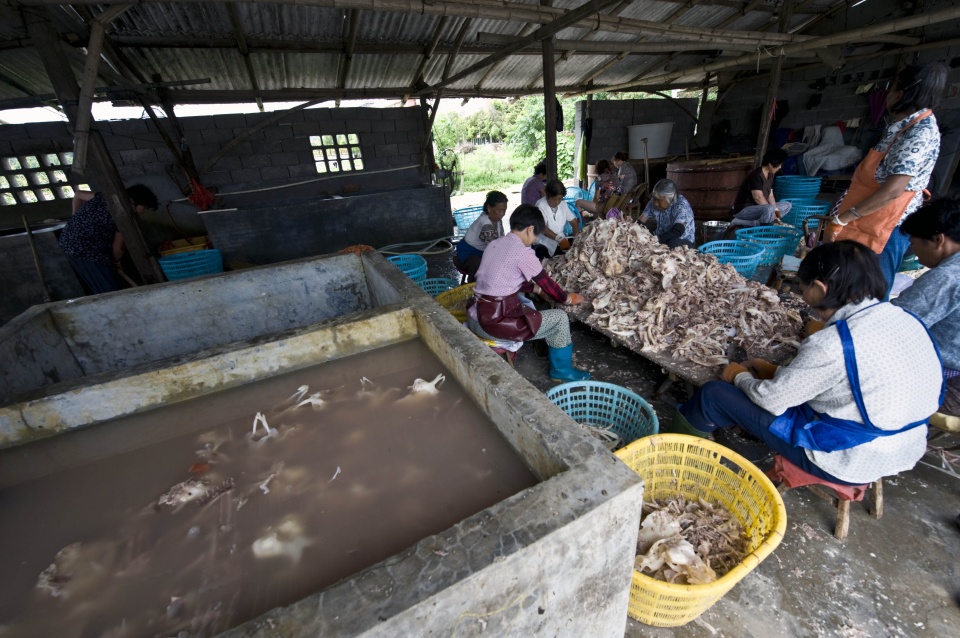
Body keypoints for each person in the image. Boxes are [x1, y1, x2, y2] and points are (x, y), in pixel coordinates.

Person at [679, 241, 943, 486]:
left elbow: (771, 400)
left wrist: (739, 376)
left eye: (802, 286)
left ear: (819, 288)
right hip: (907, 444)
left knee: (713, 395)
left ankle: (679, 459)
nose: (801, 291)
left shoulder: (831, 345)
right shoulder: (905, 318)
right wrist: (777, 372)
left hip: (849, 457)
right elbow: (857, 381)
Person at [824, 61, 947, 299]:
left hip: (884, 225)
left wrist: (844, 218)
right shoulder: (902, 127)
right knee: (854, 281)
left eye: (890, 90)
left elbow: (893, 190)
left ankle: (865, 332)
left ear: (900, 93)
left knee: (873, 285)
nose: (887, 96)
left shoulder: (918, 132)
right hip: (868, 217)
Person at [466, 204, 591, 382]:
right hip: (491, 325)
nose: (534, 240)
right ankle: (561, 371)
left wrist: (535, 289)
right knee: (559, 318)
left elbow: (503, 280)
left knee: (526, 303)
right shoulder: (523, 253)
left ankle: (542, 345)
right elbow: (547, 283)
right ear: (530, 229)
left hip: (475, 315)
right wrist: (568, 299)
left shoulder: (496, 244)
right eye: (535, 235)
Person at [891, 198, 960, 418]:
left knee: (858, 379)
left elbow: (893, 322)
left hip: (951, 382)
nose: (914, 253)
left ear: (938, 240)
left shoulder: (947, 277)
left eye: (915, 243)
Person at [58, 184, 158, 295]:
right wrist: (115, 261)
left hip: (67, 241)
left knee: (99, 283)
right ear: (136, 201)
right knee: (109, 290)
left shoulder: (104, 197)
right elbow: (118, 248)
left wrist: (75, 217)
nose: (144, 212)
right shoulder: (123, 216)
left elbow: (78, 195)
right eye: (145, 207)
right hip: (87, 250)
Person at [453, 190, 508, 281]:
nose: (502, 214)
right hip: (464, 256)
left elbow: (501, 241)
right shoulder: (486, 224)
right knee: (483, 266)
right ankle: (474, 289)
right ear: (489, 208)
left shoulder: (497, 220)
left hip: (481, 253)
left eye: (504, 210)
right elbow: (494, 250)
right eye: (499, 210)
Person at [730, 148, 792, 229]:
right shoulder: (756, 175)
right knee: (769, 209)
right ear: (770, 164)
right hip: (744, 209)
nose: (780, 167)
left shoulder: (771, 174)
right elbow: (758, 198)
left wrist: (776, 212)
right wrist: (772, 211)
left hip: (760, 208)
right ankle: (760, 227)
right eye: (779, 164)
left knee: (787, 205)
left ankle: (760, 222)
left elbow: (770, 196)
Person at [638, 179, 696, 249]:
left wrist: (657, 238)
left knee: (672, 243)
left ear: (669, 198)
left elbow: (678, 231)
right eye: (654, 198)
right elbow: (640, 221)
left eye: (659, 200)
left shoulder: (681, 205)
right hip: (662, 236)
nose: (655, 203)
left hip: (682, 239)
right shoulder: (654, 201)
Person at [533, 179, 580, 260]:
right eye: (555, 199)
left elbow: (574, 222)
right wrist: (559, 239)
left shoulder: (563, 204)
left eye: (560, 199)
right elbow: (542, 228)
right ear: (548, 196)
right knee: (541, 252)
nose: (557, 202)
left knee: (575, 248)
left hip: (561, 240)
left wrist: (576, 238)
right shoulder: (540, 205)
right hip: (544, 240)